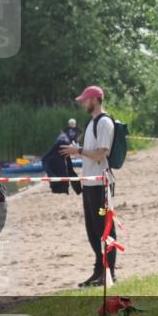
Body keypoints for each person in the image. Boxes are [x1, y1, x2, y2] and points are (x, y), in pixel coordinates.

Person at [59, 85, 116, 288]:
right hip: (90, 183)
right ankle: (98, 270)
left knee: (104, 229)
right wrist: (76, 151)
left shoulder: (104, 123)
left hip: (101, 184)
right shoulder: (92, 122)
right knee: (92, 230)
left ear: (94, 100)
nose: (83, 103)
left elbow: (101, 154)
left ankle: (109, 272)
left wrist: (78, 150)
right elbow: (91, 153)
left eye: (85, 100)